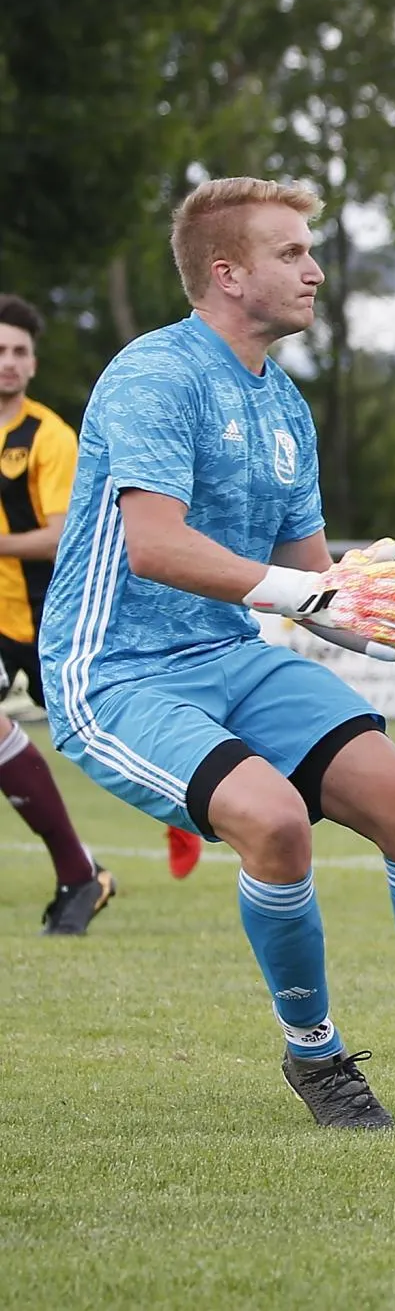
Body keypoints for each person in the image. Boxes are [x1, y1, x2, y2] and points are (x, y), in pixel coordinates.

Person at [39, 177, 395, 1129]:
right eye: (292, 252)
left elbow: (320, 585)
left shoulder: (283, 405)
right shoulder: (155, 374)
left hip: (231, 655)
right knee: (275, 821)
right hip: (115, 671)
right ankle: (317, 1057)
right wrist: (309, 594)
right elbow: (156, 546)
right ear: (227, 275)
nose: (315, 271)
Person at [0, 293, 113, 933]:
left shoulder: (48, 436)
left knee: (111, 736)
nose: (8, 362)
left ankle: (181, 815)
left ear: (34, 364)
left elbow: (59, 535)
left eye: (19, 351)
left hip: (55, 618)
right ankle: (79, 873)